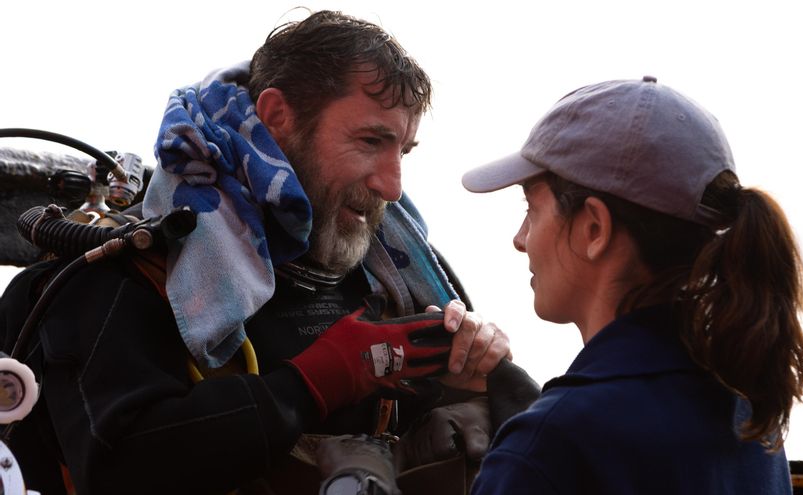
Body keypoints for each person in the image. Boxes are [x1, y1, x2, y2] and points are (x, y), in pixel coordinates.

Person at [0, 10, 515, 494]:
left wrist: (465, 391)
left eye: (401, 151)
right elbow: (116, 464)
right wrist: (312, 383)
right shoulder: (134, 267)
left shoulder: (393, 272)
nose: (392, 186)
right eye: (369, 141)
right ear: (278, 117)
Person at [458, 76, 803, 493]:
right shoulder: (750, 418)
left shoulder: (551, 446)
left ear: (594, 228)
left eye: (531, 209)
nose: (520, 239)